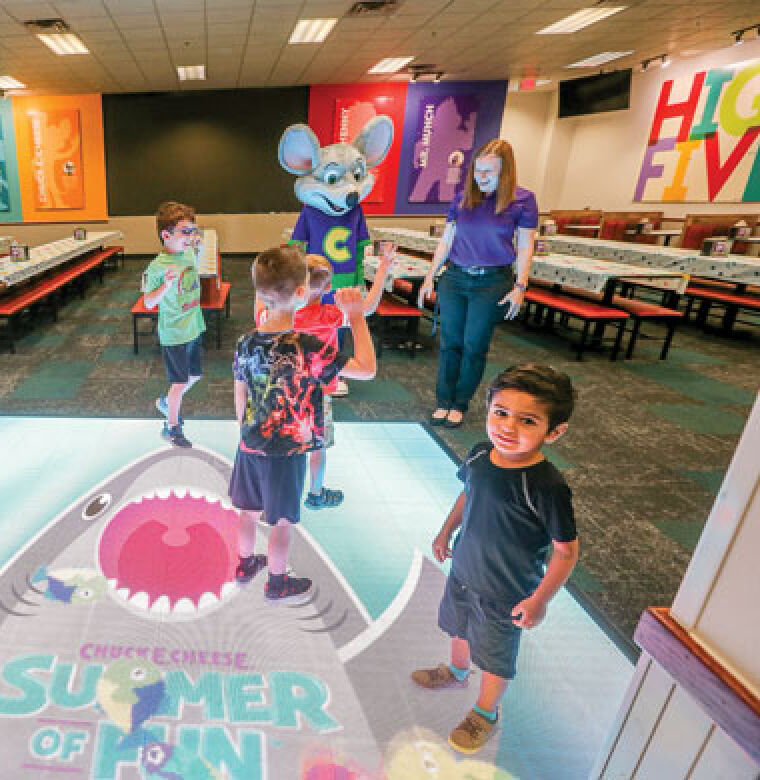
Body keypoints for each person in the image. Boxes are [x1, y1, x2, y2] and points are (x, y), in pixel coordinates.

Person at [411, 364, 579, 753]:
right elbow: (468, 493)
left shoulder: (546, 486)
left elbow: (566, 550)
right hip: (463, 571)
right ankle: (456, 671)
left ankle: (485, 712)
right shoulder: (480, 455)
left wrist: (539, 600)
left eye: (527, 420)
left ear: (554, 432)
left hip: (505, 590)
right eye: (500, 412)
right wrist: (446, 530)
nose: (507, 427)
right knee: (457, 626)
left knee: (495, 656)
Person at [231, 245, 378, 602]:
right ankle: (277, 582)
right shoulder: (307, 347)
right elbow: (367, 369)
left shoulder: (246, 341)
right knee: (282, 521)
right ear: (301, 292)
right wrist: (357, 317)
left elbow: (240, 394)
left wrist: (246, 433)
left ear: (260, 292)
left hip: (249, 441)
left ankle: (245, 564)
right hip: (287, 449)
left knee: (248, 512)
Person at [254, 248, 393, 509]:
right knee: (317, 448)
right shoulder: (331, 315)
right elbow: (368, 308)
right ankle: (316, 494)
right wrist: (383, 270)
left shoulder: (282, 316)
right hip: (319, 394)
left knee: (282, 443)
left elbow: (259, 309)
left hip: (285, 392)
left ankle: (269, 494)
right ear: (329, 287)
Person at [416, 139, 538, 428]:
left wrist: (521, 286)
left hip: (492, 282)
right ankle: (443, 401)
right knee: (450, 343)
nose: (481, 177)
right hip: (455, 278)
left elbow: (525, 246)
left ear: (505, 172)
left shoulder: (523, 200)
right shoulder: (462, 198)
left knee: (474, 345)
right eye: (477, 171)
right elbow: (446, 241)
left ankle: (460, 403)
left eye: (488, 172)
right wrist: (430, 275)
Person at [143, 200, 205, 447]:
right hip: (174, 333)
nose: (190, 236)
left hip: (193, 326)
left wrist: (198, 246)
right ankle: (172, 427)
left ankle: (167, 403)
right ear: (166, 235)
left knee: (195, 375)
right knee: (179, 383)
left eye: (192, 230)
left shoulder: (187, 253)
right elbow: (149, 302)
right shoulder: (157, 267)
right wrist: (165, 286)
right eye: (185, 232)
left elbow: (194, 267)